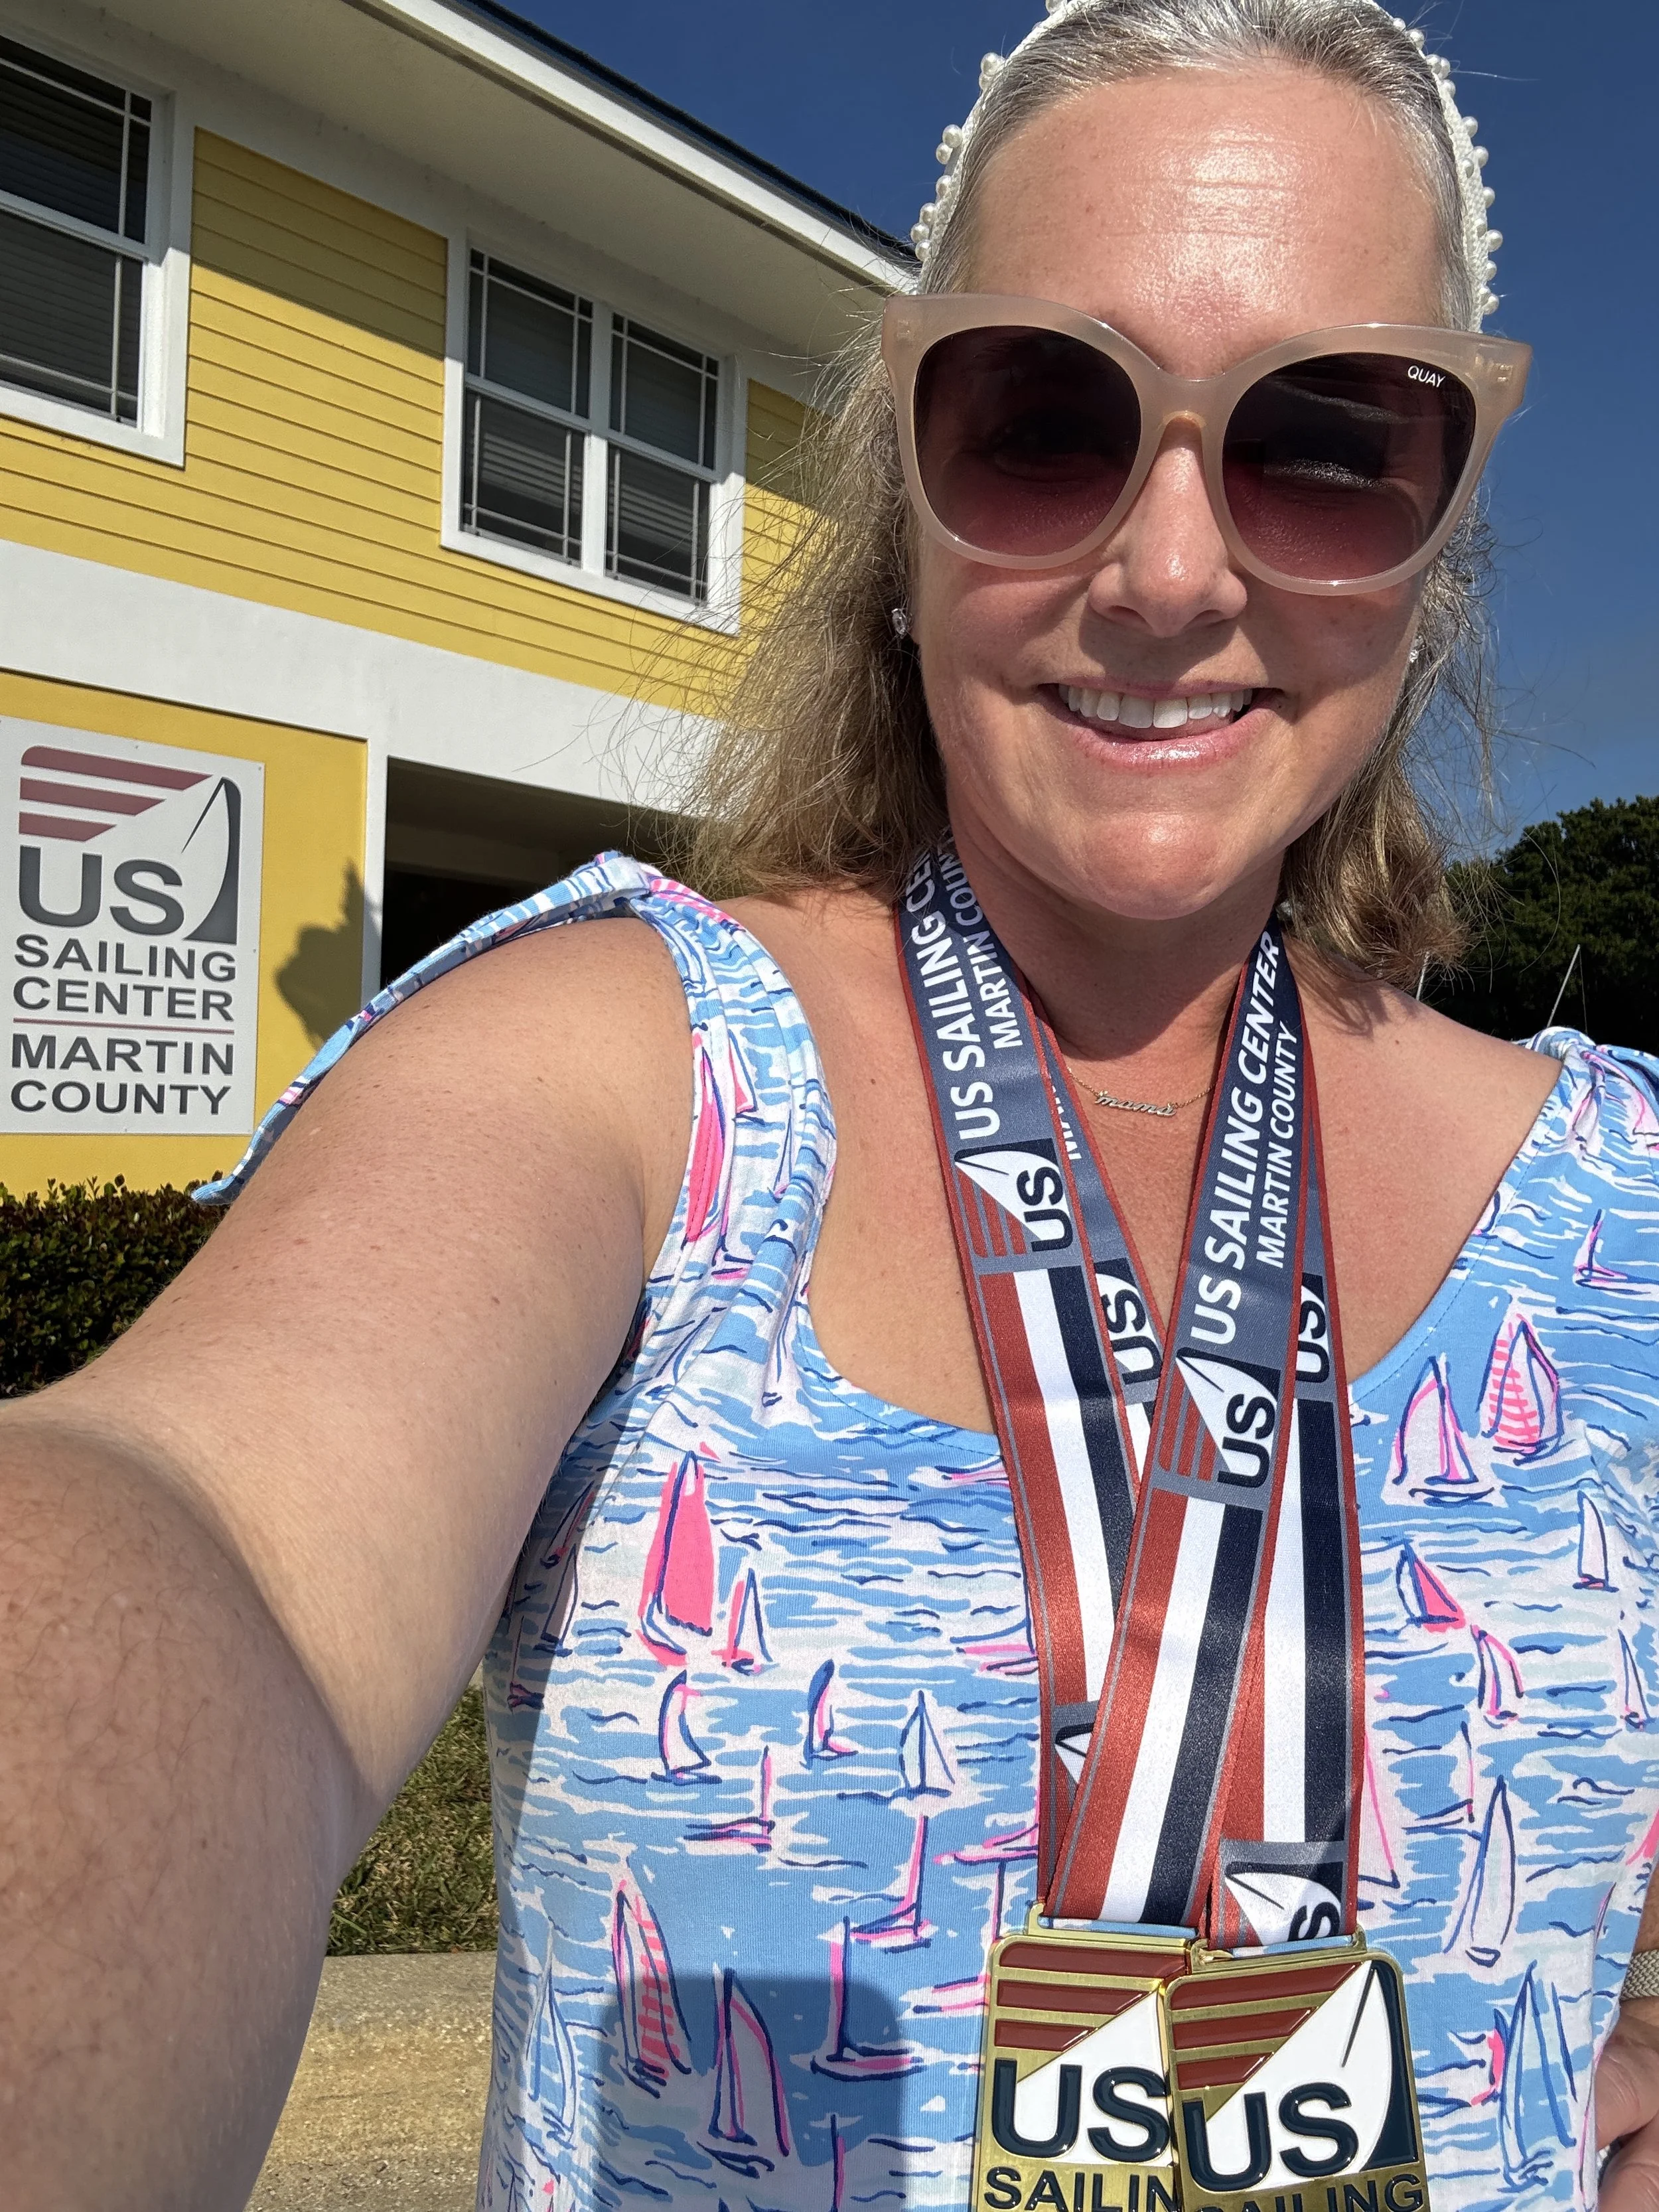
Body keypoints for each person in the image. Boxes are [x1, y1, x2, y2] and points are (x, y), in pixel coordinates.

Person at [5, 2, 1658, 2207]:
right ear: (903, 486)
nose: (1169, 573)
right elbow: (200, 1521)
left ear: (1430, 527)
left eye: (1325, 436)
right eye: (1045, 417)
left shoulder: (1622, 1189)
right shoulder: (612, 1067)